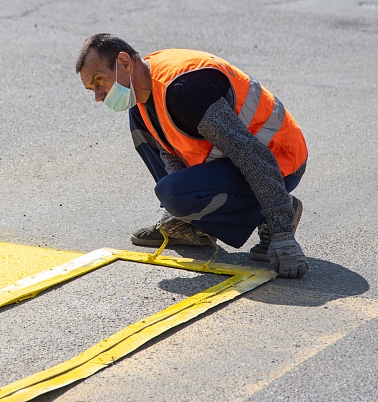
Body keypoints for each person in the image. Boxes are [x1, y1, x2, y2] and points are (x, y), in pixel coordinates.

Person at [75, 33, 309, 278]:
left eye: (99, 81)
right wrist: (185, 213)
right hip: (237, 161)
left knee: (174, 193)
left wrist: (281, 232)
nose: (99, 96)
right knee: (140, 125)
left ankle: (278, 208)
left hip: (280, 161)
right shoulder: (144, 88)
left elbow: (253, 156)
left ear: (124, 63)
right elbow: (170, 149)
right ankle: (193, 225)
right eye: (92, 89)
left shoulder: (184, 93)